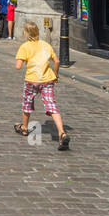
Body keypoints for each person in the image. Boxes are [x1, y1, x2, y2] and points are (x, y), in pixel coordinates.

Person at [14, 22, 68, 151]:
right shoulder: (46, 45)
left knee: (27, 103)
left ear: (26, 33)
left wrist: (22, 60)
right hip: (47, 79)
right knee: (51, 105)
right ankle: (62, 132)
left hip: (32, 80)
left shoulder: (25, 46)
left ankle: (25, 128)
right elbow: (57, 61)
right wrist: (55, 75)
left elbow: (18, 66)